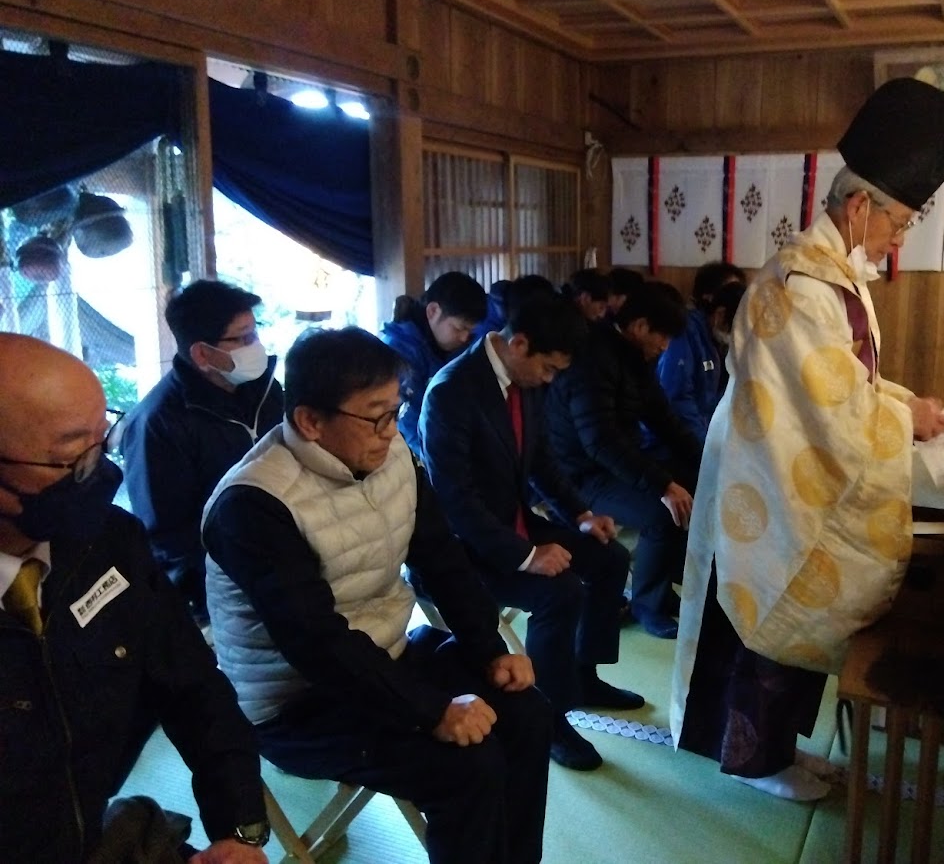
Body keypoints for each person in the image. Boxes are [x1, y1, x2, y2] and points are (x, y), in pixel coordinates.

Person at [671, 77, 944, 802]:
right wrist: (904, 421)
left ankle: (782, 750)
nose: (900, 237)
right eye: (900, 220)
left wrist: (907, 404)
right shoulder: (803, 285)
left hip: (787, 461)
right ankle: (757, 760)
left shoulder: (836, 275)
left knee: (798, 617)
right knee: (777, 612)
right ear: (860, 204)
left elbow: (849, 381)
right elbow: (831, 411)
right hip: (771, 474)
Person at [202, 327, 550, 864]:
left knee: (526, 714)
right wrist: (432, 709)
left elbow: (440, 557)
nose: (391, 431)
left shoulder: (391, 454)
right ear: (311, 422)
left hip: (388, 656)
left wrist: (490, 648)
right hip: (296, 704)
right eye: (376, 416)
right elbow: (315, 642)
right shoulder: (253, 503)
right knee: (468, 765)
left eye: (395, 410)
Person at [0, 333, 269, 863]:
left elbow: (192, 686)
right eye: (70, 459)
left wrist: (238, 828)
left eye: (103, 441)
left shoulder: (109, 542)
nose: (101, 474)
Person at [420, 294, 642, 772]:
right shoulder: (451, 392)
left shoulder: (526, 380)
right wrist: (526, 556)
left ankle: (585, 674)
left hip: (514, 519)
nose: (552, 379)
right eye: (549, 368)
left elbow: (540, 460)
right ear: (518, 344)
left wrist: (581, 514)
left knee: (609, 558)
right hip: (469, 547)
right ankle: (551, 716)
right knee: (557, 592)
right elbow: (455, 503)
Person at [120, 279, 282, 629]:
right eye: (242, 338)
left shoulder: (267, 390)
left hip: (284, 574)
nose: (256, 346)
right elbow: (166, 538)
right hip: (218, 601)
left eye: (255, 332)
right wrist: (238, 578)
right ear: (202, 354)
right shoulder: (156, 423)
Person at [545, 282, 702, 639]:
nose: (664, 347)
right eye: (662, 338)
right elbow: (599, 441)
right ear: (641, 326)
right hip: (579, 475)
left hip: (612, 463)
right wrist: (661, 485)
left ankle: (664, 590)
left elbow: (664, 419)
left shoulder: (634, 357)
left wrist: (707, 462)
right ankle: (647, 605)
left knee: (692, 484)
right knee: (663, 512)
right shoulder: (592, 358)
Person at [381, 271, 488, 459]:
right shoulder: (399, 350)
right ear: (432, 311)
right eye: (458, 328)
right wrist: (438, 465)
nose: (464, 338)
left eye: (469, 331)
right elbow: (406, 421)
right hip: (406, 456)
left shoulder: (451, 344)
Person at [651, 262, 747, 447]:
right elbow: (678, 399)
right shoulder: (685, 332)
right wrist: (707, 447)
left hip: (700, 434)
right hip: (670, 444)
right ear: (719, 313)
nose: (735, 335)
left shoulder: (715, 339)